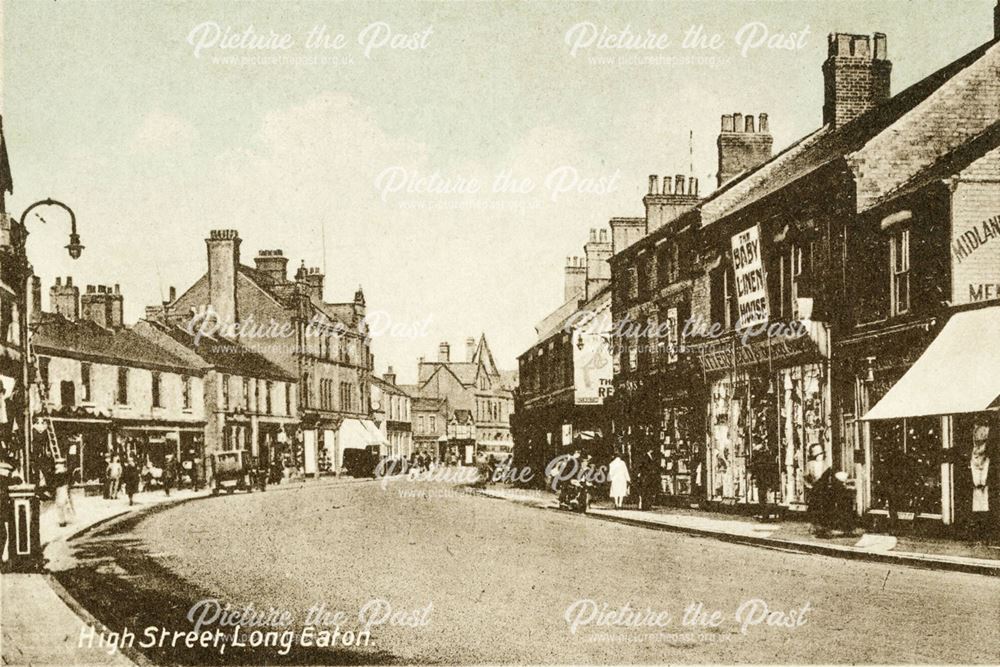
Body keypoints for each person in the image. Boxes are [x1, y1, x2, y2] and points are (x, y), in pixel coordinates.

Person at [52, 459, 73, 527]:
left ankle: (62, 521)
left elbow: (55, 482)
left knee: (60, 505)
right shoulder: (65, 472)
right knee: (65, 504)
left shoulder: (57, 473)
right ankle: (64, 520)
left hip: (60, 489)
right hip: (63, 489)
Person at [637, 447, 659, 511]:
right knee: (646, 492)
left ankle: (647, 505)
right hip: (646, 477)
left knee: (648, 492)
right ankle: (645, 506)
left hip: (648, 477)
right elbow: (644, 467)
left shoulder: (649, 456)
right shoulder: (645, 457)